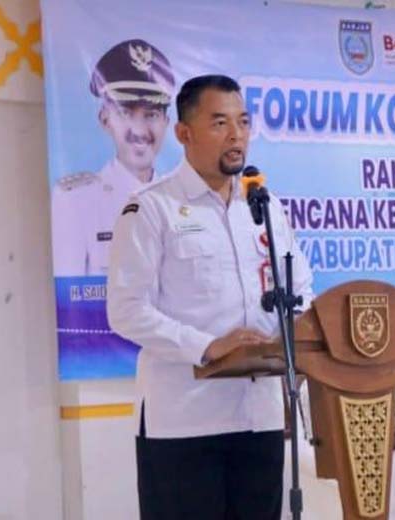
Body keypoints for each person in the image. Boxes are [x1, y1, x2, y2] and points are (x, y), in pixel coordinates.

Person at [107, 74, 313, 519]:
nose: (236, 134)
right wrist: (208, 346)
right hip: (184, 422)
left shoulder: (265, 208)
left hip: (260, 417)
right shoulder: (152, 207)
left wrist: (298, 333)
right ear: (184, 133)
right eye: (220, 123)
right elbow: (126, 310)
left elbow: (300, 293)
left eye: (243, 122)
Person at [51, 39, 174, 276]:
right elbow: (70, 293)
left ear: (166, 123)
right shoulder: (76, 200)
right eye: (125, 113)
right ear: (105, 119)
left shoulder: (181, 199)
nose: (139, 130)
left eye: (151, 115)